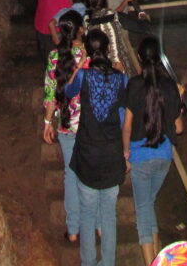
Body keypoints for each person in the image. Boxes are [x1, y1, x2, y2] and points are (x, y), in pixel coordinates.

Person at [64, 29, 129, 266]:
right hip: (112, 155)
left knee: (88, 214)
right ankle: (108, 263)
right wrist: (126, 151)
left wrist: (81, 65)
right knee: (109, 216)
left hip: (88, 154)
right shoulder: (121, 79)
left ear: (89, 52)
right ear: (108, 49)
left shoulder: (84, 76)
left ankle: (88, 263)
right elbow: (124, 117)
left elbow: (68, 91)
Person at [122, 36, 185, 264]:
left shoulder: (135, 84)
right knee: (148, 205)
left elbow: (127, 125)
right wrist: (179, 101)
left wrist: (125, 152)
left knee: (143, 210)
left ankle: (151, 263)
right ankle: (160, 259)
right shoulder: (169, 86)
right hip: (164, 157)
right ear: (160, 58)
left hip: (141, 156)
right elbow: (178, 128)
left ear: (139, 57)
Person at [43, 10, 88, 244]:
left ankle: (72, 230)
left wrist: (48, 122)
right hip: (91, 126)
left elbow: (51, 91)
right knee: (93, 172)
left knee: (71, 175)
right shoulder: (90, 55)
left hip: (66, 124)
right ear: (81, 29)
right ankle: (99, 226)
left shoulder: (54, 56)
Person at [81, 0, 141, 67]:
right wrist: (126, 1)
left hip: (98, 64)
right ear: (105, 0)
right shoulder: (111, 15)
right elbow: (116, 14)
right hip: (119, 64)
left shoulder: (86, 20)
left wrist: (125, 1)